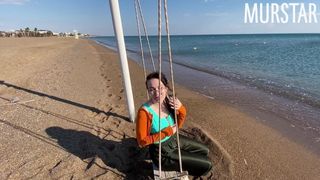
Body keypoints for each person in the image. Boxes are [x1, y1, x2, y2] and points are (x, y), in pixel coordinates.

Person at [136, 72, 212, 177]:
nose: (157, 93)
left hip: (174, 139)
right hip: (161, 151)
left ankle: (193, 165)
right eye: (152, 89)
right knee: (207, 164)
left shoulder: (168, 101)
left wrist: (181, 109)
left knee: (205, 151)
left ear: (166, 88)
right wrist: (167, 132)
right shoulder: (144, 112)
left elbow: (178, 126)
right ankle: (196, 173)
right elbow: (142, 141)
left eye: (160, 88)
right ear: (148, 91)